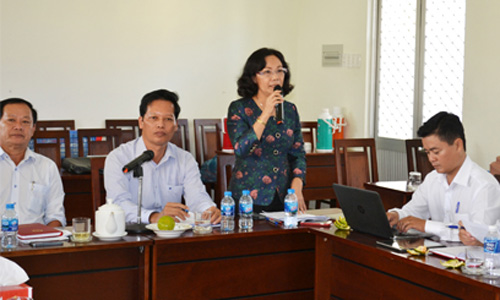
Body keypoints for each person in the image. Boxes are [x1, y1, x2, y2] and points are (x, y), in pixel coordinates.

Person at [104, 89, 221, 224]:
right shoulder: (119, 158)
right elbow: (118, 203)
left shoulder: (185, 159)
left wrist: (209, 210)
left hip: (172, 235)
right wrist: (153, 217)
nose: (160, 124)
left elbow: (197, 197)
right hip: (132, 235)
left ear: (175, 125)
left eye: (168, 119)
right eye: (154, 118)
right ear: (141, 122)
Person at [387, 112, 500, 244]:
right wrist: (397, 215)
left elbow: (479, 236)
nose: (431, 159)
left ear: (458, 145)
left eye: (436, 152)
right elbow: (413, 211)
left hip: (470, 261)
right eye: (427, 152)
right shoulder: (432, 179)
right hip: (435, 255)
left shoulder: (484, 185)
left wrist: (427, 225)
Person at [227, 48, 307, 213]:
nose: (275, 77)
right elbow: (241, 149)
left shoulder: (290, 109)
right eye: (267, 72)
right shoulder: (239, 108)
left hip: (284, 196)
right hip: (249, 198)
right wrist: (266, 113)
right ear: (254, 77)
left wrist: (297, 184)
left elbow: (298, 153)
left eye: (280, 71)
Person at [0, 98, 66, 227]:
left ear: (33, 128)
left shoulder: (47, 167)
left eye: (25, 122)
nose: (18, 127)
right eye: (11, 120)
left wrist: (45, 241)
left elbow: (55, 216)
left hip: (36, 243)